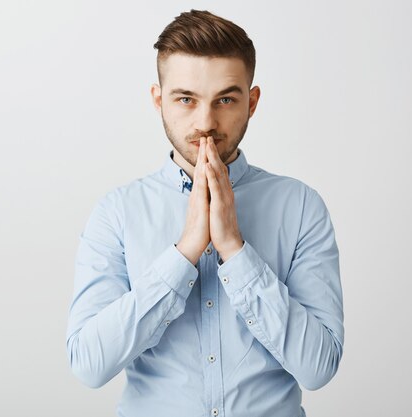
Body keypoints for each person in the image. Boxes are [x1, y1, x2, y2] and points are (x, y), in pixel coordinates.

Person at [66, 9, 343, 417]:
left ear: (252, 102)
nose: (206, 122)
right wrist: (184, 253)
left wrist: (235, 250)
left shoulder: (301, 207)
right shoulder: (117, 212)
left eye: (226, 100)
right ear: (159, 100)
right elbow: (89, 364)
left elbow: (318, 368)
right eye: (185, 99)